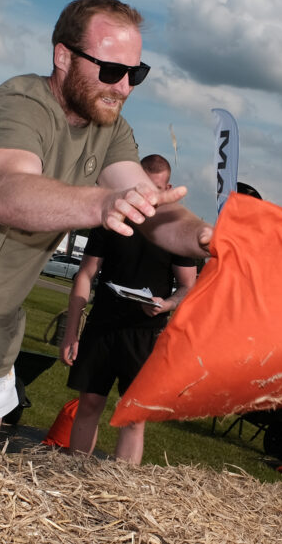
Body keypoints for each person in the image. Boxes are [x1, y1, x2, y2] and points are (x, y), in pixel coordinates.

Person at [0, 0, 212, 450]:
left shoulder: (110, 128)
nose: (125, 87)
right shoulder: (18, 105)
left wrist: (206, 239)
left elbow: (154, 210)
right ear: (63, 56)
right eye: (111, 70)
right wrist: (106, 203)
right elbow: (9, 195)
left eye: (137, 73)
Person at [59, 154, 197, 464]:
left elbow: (189, 284)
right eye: (144, 188)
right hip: (102, 326)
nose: (150, 197)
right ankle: (73, 476)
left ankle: (122, 491)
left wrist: (168, 305)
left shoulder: (177, 226)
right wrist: (71, 332)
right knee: (89, 404)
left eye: (158, 188)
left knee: (134, 417)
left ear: (168, 187)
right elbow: (85, 274)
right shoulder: (114, 216)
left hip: (145, 334)